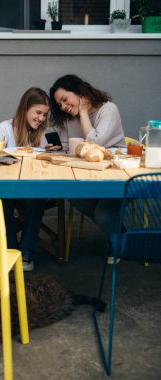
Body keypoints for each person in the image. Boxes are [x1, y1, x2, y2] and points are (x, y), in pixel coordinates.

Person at [49, 74, 126, 263]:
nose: (64, 107)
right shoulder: (69, 119)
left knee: (104, 213)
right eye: (60, 105)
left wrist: (83, 113)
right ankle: (117, 233)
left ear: (79, 92)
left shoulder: (108, 110)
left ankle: (119, 243)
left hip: (116, 175)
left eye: (65, 100)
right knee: (73, 195)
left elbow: (95, 142)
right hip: (87, 175)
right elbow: (68, 146)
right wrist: (59, 147)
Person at [0, 87, 50, 271]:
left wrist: (47, 152)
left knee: (36, 200)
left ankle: (25, 253)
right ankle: (11, 250)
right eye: (38, 113)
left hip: (31, 185)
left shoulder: (39, 132)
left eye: (44, 115)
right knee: (2, 202)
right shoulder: (5, 128)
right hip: (7, 184)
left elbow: (39, 162)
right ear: (25, 108)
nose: (41, 119)